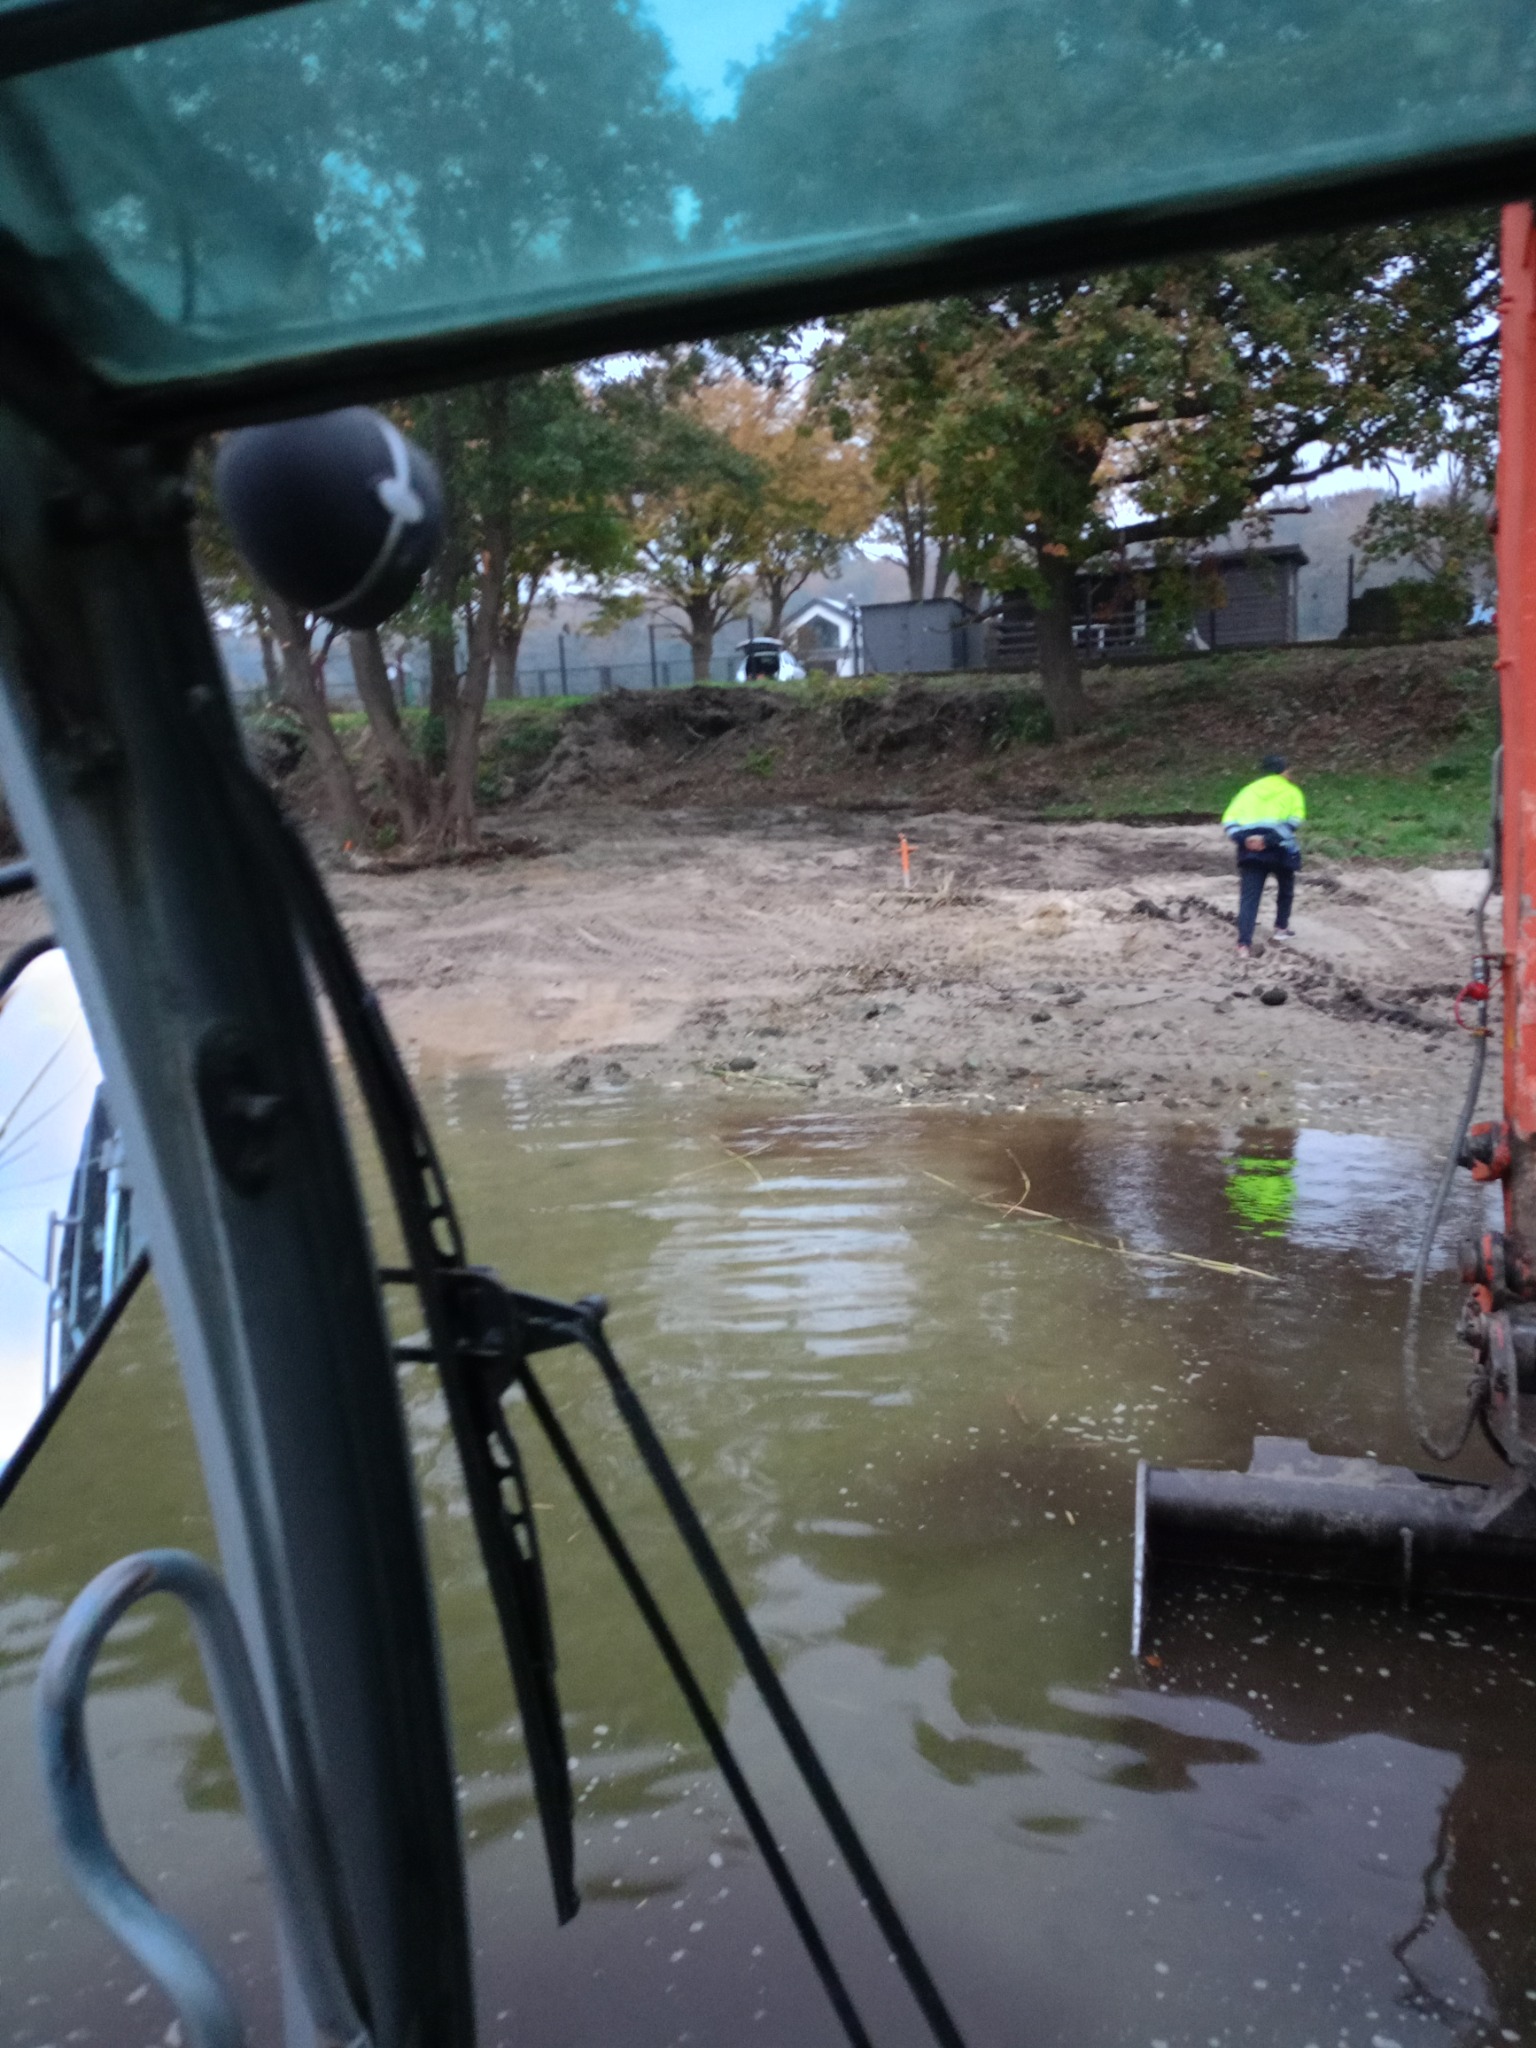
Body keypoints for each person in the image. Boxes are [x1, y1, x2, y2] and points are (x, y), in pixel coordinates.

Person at [1222, 753, 1305, 957]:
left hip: (1250, 852)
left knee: (1249, 898)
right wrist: (1268, 840)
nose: (1290, 773)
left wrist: (1245, 839)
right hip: (1281, 850)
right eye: (1288, 770)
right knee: (1286, 889)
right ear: (1282, 771)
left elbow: (1229, 819)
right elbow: (1294, 822)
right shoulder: (1292, 792)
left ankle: (1243, 944)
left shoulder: (1246, 792)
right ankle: (1281, 928)